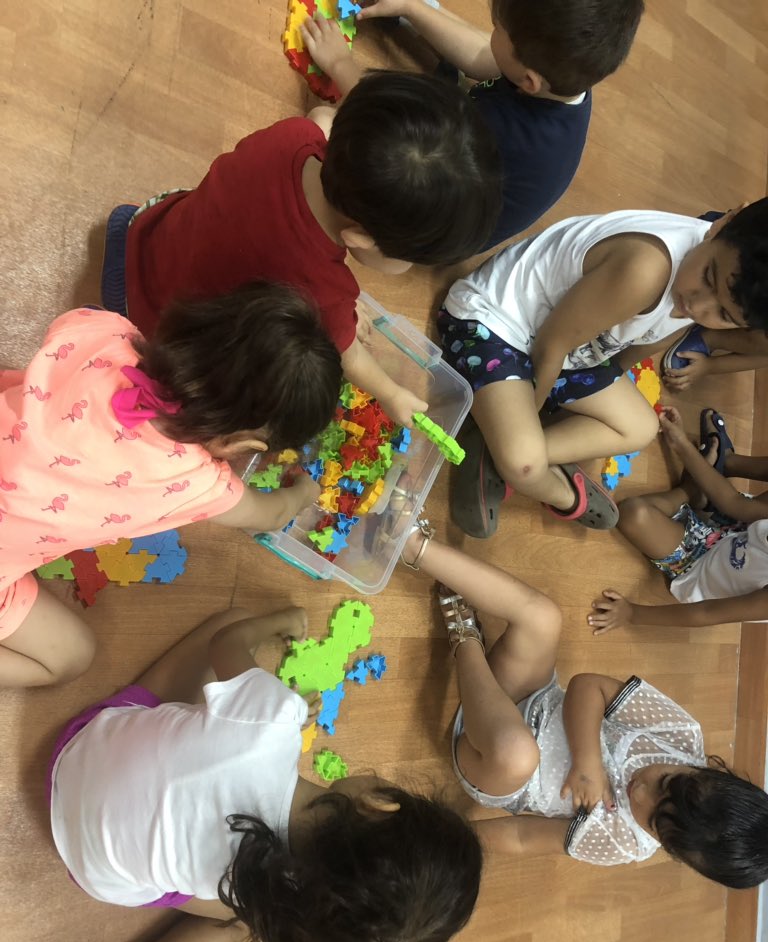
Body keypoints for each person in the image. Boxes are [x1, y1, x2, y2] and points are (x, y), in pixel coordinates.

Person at [31, 606, 483, 942]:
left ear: (379, 802)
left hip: (74, 753)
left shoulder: (274, 719)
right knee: (243, 920)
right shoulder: (270, 894)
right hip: (94, 870)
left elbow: (226, 642)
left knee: (230, 620)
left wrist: (275, 648)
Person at [103, 70, 502, 427]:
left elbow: (322, 119)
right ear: (359, 239)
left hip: (148, 230)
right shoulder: (324, 294)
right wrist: (392, 393)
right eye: (411, 260)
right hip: (149, 321)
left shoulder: (295, 135)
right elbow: (349, 356)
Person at [0, 283, 340, 688]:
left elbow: (69, 327)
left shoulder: (106, 333)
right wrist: (305, 491)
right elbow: (273, 515)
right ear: (240, 445)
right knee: (72, 657)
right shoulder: (195, 482)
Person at [399, 516, 768, 887]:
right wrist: (587, 761)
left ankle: (465, 638)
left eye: (654, 818)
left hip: (490, 760)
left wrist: (443, 842)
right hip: (531, 697)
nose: (641, 791)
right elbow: (586, 686)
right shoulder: (682, 735)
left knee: (517, 753)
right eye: (666, 780)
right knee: (542, 616)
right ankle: (414, 544)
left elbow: (523, 836)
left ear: (677, 853)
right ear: (711, 771)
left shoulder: (623, 842)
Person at [438, 199, 768, 537]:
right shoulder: (646, 270)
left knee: (640, 428)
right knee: (524, 463)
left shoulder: (694, 286)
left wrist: (594, 387)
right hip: (492, 325)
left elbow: (628, 353)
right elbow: (551, 345)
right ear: (725, 221)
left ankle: (493, 442)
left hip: (564, 344)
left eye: (724, 316)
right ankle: (562, 492)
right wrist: (531, 419)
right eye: (709, 278)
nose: (698, 306)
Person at [301, 0, 643, 249]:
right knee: (424, 9)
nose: (492, 30)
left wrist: (340, 62)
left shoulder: (502, 131)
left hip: (433, 224)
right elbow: (485, 55)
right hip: (462, 163)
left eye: (499, 29)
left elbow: (391, 117)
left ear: (529, 81)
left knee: (326, 122)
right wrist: (412, 6)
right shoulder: (563, 79)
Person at [588, 406, 768, 634]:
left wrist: (631, 613)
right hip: (736, 528)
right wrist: (681, 444)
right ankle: (721, 469)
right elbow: (736, 504)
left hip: (697, 566)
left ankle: (692, 490)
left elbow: (707, 613)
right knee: (725, 502)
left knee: (634, 514)